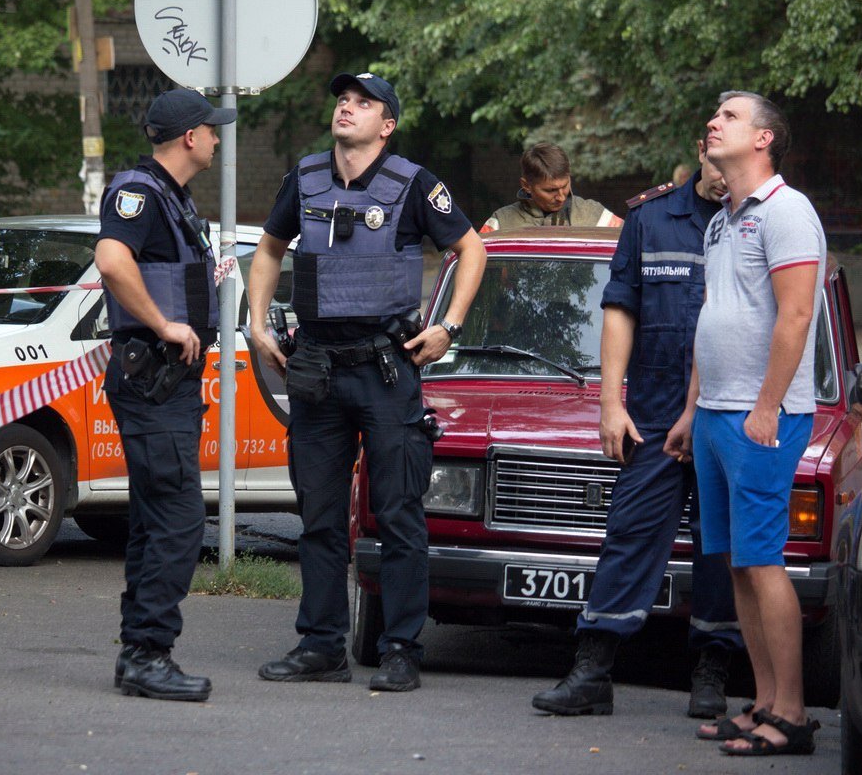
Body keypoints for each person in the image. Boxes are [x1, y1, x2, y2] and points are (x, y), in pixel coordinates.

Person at [248, 72, 486, 692]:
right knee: (320, 516)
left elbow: (471, 249)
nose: (347, 108)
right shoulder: (304, 178)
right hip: (317, 370)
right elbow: (269, 249)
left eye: (363, 103)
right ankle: (321, 646)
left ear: (387, 125)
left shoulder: (414, 183)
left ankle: (401, 648)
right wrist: (256, 323)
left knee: (399, 513)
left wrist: (449, 327)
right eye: (342, 99)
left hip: (385, 370)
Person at [531, 139, 743, 719]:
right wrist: (609, 402)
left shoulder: (756, 222)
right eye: (716, 162)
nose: (724, 176)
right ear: (700, 152)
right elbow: (620, 308)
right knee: (629, 535)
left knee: (720, 547)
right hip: (653, 413)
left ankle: (712, 673)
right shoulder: (650, 219)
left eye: (734, 166)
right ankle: (592, 671)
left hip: (730, 411)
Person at [666, 91, 824, 756]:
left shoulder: (787, 211)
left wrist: (766, 406)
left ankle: (791, 716)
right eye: (715, 114)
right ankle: (762, 701)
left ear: (764, 139)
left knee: (762, 561)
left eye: (730, 116)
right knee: (735, 563)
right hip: (714, 414)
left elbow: (796, 316)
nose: (714, 122)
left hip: (764, 417)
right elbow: (716, 317)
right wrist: (691, 409)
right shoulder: (721, 221)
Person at [94, 88, 236, 703]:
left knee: (156, 517)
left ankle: (139, 653)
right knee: (179, 518)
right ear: (189, 137)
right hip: (152, 378)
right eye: (212, 130)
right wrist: (163, 324)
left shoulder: (172, 197)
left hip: (166, 384)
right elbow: (111, 260)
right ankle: (149, 653)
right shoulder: (141, 191)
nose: (218, 139)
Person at [481, 142, 623, 231]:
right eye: (550, 190)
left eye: (565, 186)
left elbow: (630, 248)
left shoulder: (596, 216)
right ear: (526, 185)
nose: (561, 197)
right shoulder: (500, 223)